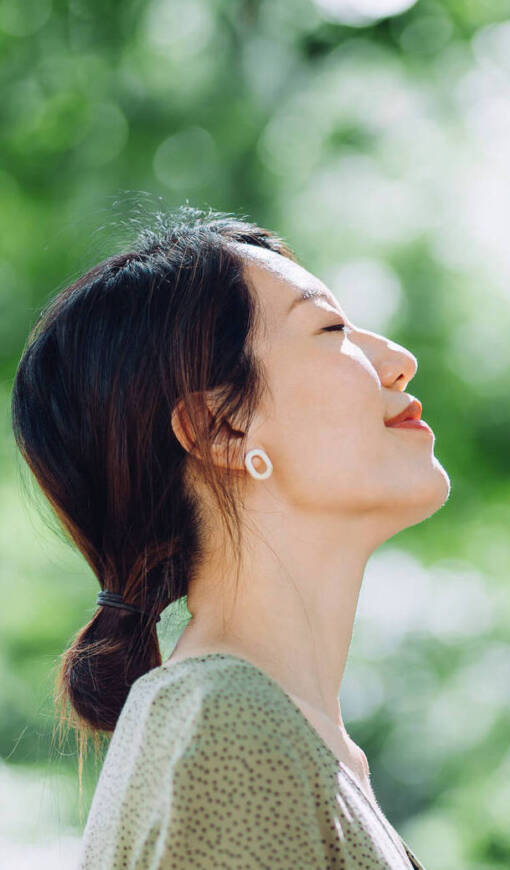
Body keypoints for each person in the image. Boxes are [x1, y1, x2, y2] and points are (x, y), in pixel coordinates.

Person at [9, 207, 449, 868]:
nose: (398, 361)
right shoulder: (231, 728)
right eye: (331, 329)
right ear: (223, 430)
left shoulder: (280, 735)